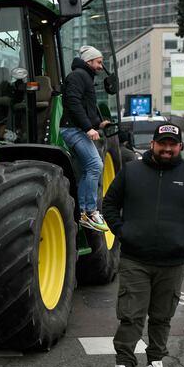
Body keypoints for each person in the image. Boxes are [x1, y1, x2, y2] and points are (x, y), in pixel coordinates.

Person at [101, 123, 184, 367]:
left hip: (173, 261)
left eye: (172, 144)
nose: (167, 149)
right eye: (162, 143)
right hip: (134, 259)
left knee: (162, 316)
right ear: (152, 144)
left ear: (180, 147)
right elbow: (109, 204)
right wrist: (123, 232)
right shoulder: (131, 171)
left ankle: (155, 363)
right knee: (131, 315)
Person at [60, 45, 110, 232]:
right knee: (95, 166)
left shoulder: (83, 77)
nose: (100, 66)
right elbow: (73, 103)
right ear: (89, 61)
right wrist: (88, 128)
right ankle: (88, 212)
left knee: (86, 170)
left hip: (78, 129)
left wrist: (98, 124)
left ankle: (84, 213)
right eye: (98, 62)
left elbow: (83, 106)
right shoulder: (78, 76)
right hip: (74, 130)